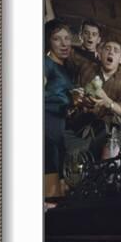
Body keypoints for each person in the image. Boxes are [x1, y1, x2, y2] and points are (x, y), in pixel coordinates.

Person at [43, 19, 75, 196]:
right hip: (47, 124)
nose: (64, 43)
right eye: (57, 39)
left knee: (59, 185)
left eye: (67, 38)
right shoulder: (45, 63)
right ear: (49, 41)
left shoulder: (66, 67)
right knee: (51, 167)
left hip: (60, 126)